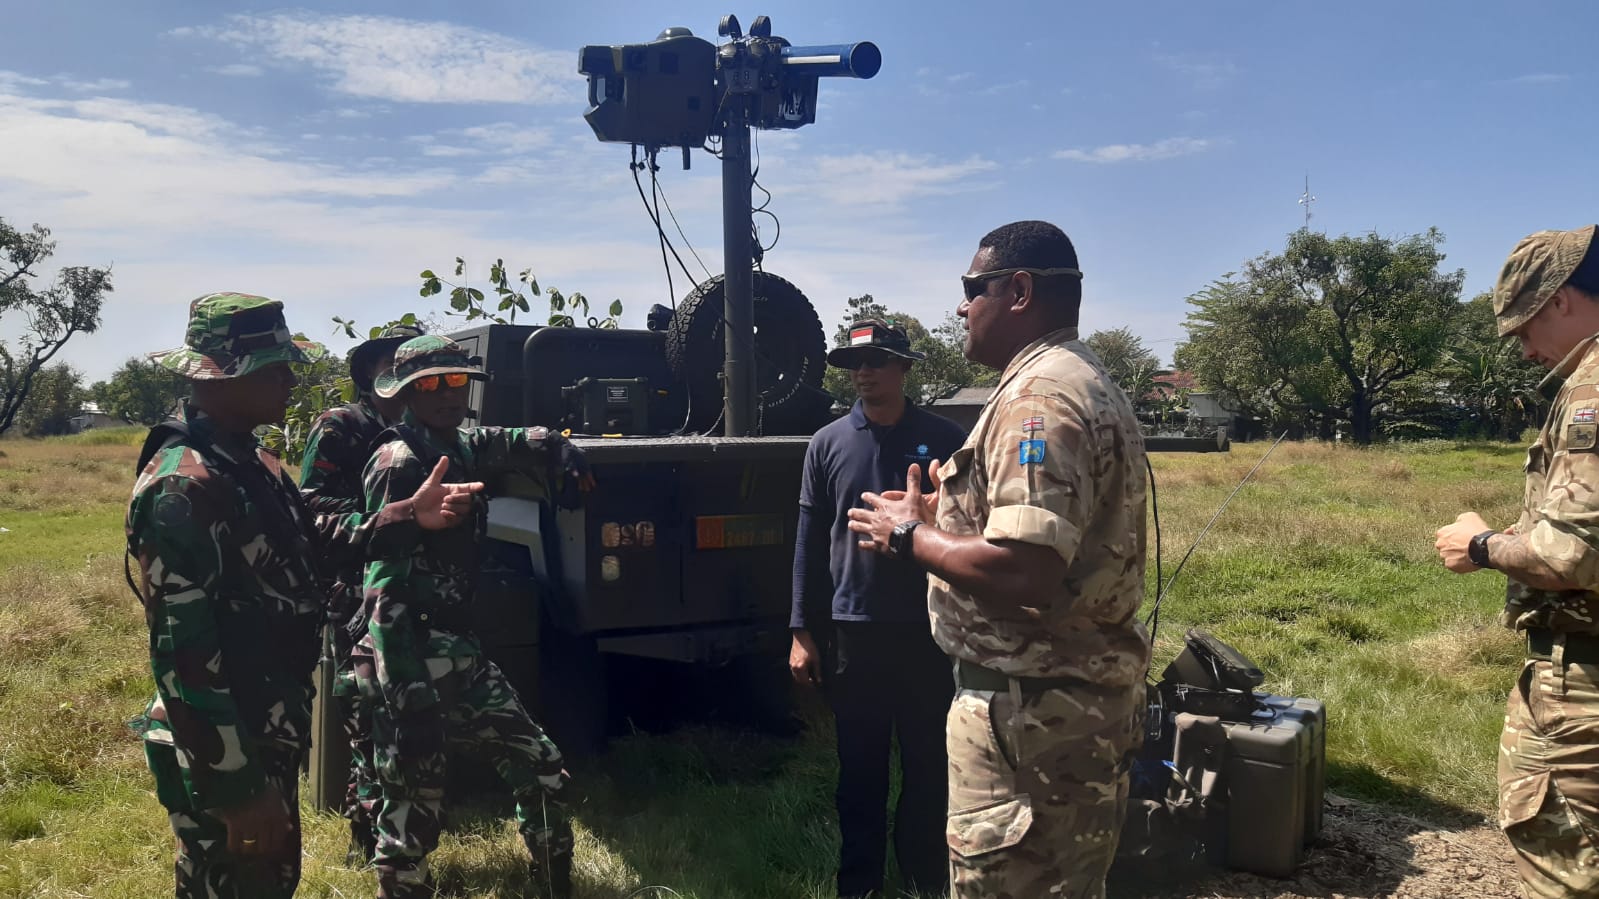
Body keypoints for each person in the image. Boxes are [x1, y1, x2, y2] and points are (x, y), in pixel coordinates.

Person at [126, 293, 480, 898]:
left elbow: (310, 540)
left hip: (266, 726)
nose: (292, 378)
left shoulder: (249, 460)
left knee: (270, 880)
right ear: (225, 376)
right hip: (228, 742)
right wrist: (237, 789)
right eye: (274, 368)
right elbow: (184, 660)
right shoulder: (184, 487)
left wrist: (402, 517)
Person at [847, 221, 1149, 898]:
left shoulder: (1036, 401)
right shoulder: (1078, 377)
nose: (960, 307)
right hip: (1064, 715)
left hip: (1030, 728)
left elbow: (1025, 570)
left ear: (1017, 290)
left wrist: (907, 535)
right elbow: (1053, 543)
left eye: (969, 289)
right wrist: (942, 520)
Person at [358, 335, 594, 899]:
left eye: (456, 381)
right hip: (406, 654)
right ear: (409, 392)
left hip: (457, 654)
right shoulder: (401, 460)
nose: (446, 393)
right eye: (432, 384)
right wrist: (405, 690)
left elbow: (500, 438)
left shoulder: (454, 443)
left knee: (538, 762)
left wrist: (554, 443)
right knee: (413, 794)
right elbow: (380, 585)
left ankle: (556, 880)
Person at [1434, 224, 1599, 899]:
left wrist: (1477, 545)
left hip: (1583, 686)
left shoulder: (1591, 391)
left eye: (1523, 326)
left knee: (1564, 866)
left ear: (1561, 299)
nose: (1524, 348)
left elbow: (1569, 557)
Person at [789, 318, 967, 898]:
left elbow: (971, 533)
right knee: (859, 768)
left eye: (877, 361)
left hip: (928, 630)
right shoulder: (828, 442)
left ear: (905, 367)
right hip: (854, 631)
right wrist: (800, 629)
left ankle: (922, 878)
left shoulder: (944, 438)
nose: (863, 373)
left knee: (929, 765)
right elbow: (810, 543)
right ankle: (858, 884)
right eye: (854, 364)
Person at [298, 322, 425, 864]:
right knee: (368, 721)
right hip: (355, 592)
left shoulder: (426, 430)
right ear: (369, 374)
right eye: (392, 364)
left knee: (407, 714)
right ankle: (364, 839)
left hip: (414, 590)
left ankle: (402, 829)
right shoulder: (342, 426)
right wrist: (385, 521)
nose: (404, 374)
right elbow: (309, 509)